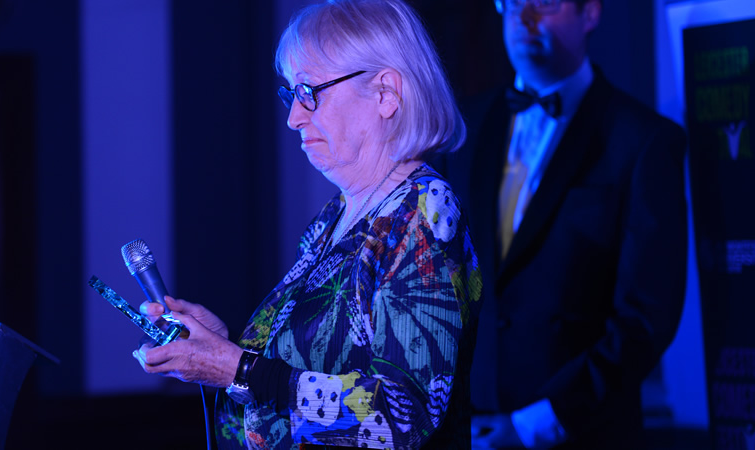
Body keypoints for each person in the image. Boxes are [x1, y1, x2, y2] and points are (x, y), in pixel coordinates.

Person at [133, 0, 482, 448]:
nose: (294, 117)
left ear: (385, 94)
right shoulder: (337, 215)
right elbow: (305, 373)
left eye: (309, 91)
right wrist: (219, 346)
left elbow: (403, 416)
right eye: (290, 94)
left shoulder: (424, 212)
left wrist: (238, 367)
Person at [443, 0, 687, 448]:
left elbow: (645, 320)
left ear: (590, 13)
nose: (524, 16)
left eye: (544, 2)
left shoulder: (645, 142)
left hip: (581, 435)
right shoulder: (462, 129)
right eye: (511, 2)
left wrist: (534, 424)